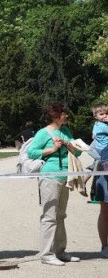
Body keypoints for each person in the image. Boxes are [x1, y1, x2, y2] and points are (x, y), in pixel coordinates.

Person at [26, 103, 82, 266]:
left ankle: (60, 251)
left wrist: (67, 144)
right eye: (63, 113)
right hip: (50, 176)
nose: (66, 116)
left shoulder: (66, 131)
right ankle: (46, 254)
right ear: (54, 115)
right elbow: (32, 152)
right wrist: (53, 148)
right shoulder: (43, 133)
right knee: (49, 216)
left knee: (61, 215)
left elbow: (77, 152)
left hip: (66, 175)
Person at [88, 104, 108, 257]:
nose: (105, 116)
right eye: (102, 114)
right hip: (104, 173)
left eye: (107, 113)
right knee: (105, 212)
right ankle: (105, 246)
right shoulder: (100, 128)